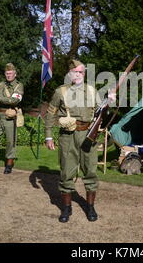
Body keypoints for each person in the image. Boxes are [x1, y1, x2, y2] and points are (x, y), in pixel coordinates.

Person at [45, 59, 115, 223]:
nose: (78, 74)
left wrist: (109, 101)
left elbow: (101, 111)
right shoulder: (60, 92)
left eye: (81, 72)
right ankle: (66, 208)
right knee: (66, 173)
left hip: (88, 136)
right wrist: (48, 135)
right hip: (67, 137)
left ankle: (90, 207)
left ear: (84, 73)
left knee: (90, 172)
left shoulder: (91, 90)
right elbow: (50, 113)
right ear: (69, 74)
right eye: (75, 72)